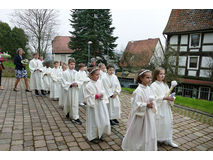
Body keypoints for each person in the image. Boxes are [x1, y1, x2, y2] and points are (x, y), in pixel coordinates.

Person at [121, 69, 157, 151]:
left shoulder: (149, 88)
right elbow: (135, 104)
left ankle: (147, 147)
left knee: (148, 131)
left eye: (150, 78)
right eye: (147, 77)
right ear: (141, 78)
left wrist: (153, 103)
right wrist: (145, 105)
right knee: (138, 132)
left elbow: (153, 98)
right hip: (140, 116)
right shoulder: (138, 91)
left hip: (148, 114)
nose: (149, 80)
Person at [150, 67, 178, 148]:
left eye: (164, 74)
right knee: (159, 123)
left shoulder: (165, 84)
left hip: (166, 107)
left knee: (167, 123)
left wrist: (171, 97)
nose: (163, 75)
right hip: (159, 108)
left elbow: (167, 94)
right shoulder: (153, 85)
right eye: (161, 74)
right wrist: (164, 98)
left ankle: (168, 139)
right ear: (156, 75)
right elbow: (153, 98)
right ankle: (156, 139)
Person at [84, 67, 111, 143]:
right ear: (91, 75)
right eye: (96, 75)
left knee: (102, 119)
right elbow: (87, 96)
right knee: (94, 120)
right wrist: (96, 96)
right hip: (94, 106)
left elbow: (103, 90)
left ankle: (100, 133)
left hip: (101, 105)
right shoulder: (88, 85)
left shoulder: (100, 82)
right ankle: (93, 136)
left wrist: (103, 95)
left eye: (99, 74)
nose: (98, 76)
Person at [62, 58, 82, 125]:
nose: (73, 66)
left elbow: (80, 80)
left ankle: (75, 117)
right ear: (68, 64)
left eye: (74, 64)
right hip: (68, 90)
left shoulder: (76, 73)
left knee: (74, 103)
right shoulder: (65, 73)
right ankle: (68, 112)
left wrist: (77, 84)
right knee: (68, 102)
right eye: (71, 64)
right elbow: (63, 81)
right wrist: (70, 84)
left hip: (75, 90)